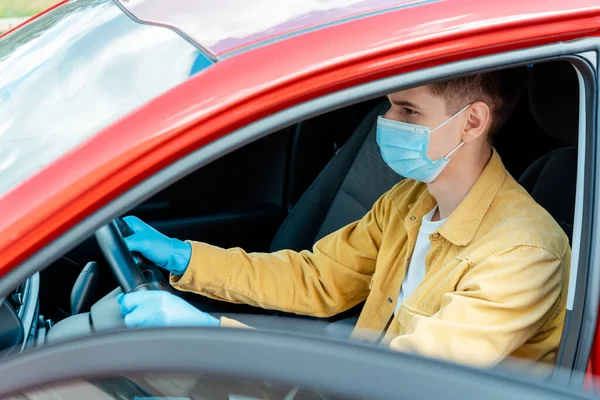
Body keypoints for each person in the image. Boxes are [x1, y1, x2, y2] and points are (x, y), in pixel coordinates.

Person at [117, 68, 570, 373]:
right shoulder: (409, 200)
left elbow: (407, 378)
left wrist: (214, 334)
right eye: (390, 105)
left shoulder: (524, 253)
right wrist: (185, 258)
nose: (386, 120)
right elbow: (318, 279)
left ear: (471, 122)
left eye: (408, 111)